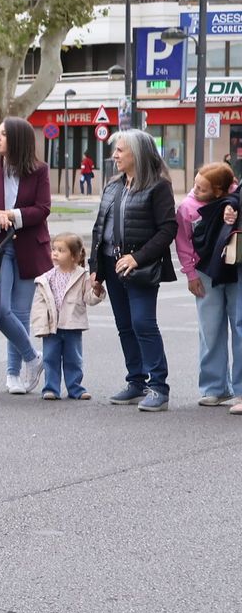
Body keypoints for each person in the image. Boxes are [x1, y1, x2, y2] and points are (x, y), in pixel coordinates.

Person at [89, 129, 178, 411]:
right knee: (125, 326)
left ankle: (158, 387)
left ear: (136, 154)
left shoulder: (158, 187)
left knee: (143, 324)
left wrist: (136, 258)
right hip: (111, 266)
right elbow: (99, 230)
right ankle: (136, 382)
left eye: (120, 150)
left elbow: (167, 229)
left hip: (139, 269)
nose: (114, 155)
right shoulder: (113, 186)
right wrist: (96, 270)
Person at [0, 117, 51, 395]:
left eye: (4, 134)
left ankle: (14, 374)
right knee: (0, 310)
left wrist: (11, 215)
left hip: (30, 248)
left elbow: (42, 209)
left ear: (17, 140)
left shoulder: (39, 170)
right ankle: (33, 358)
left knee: (20, 313)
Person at [175, 161, 242, 407]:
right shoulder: (187, 208)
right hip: (204, 272)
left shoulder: (235, 198)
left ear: (219, 191)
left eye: (202, 189)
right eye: (195, 185)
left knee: (239, 326)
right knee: (210, 329)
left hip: (235, 267)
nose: (195, 191)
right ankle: (214, 387)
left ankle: (240, 389)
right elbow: (183, 243)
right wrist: (190, 275)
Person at [29, 232, 104, 401]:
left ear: (74, 256)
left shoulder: (82, 276)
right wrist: (41, 327)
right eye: (54, 249)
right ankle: (51, 388)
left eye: (61, 250)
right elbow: (39, 305)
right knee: (50, 359)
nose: (55, 253)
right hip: (52, 327)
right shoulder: (46, 278)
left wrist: (97, 290)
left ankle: (75, 388)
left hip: (73, 326)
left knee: (74, 360)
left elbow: (89, 299)